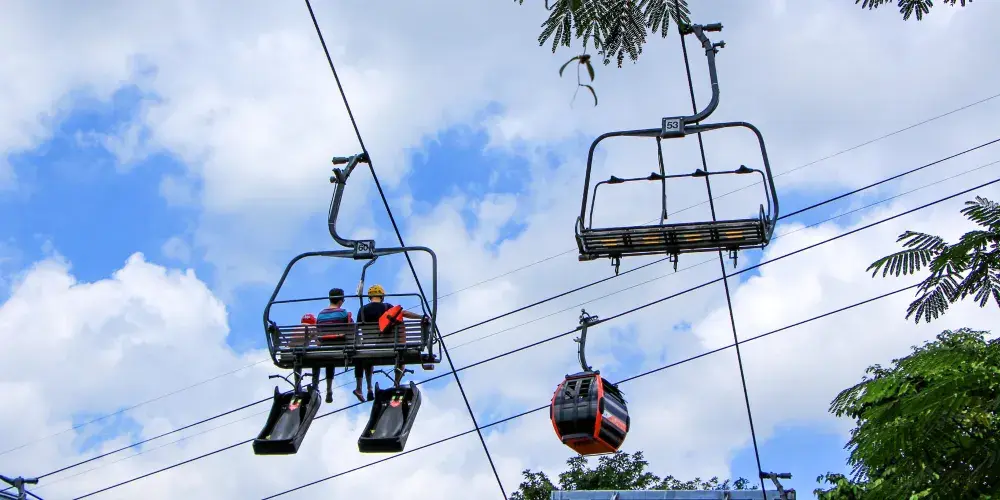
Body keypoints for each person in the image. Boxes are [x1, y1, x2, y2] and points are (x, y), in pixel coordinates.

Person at [357, 284, 424, 389]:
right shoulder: (387, 307)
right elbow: (403, 313)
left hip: (371, 346)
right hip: (389, 344)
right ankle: (396, 382)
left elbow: (358, 327)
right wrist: (421, 317)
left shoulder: (362, 310)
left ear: (369, 297)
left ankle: (369, 387)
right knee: (401, 357)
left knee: (368, 360)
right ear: (382, 296)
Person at [316, 288, 353, 403]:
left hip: (325, 347)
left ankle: (327, 387)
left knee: (329, 358)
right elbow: (352, 329)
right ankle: (361, 387)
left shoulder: (320, 314)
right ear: (340, 300)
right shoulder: (343, 313)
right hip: (341, 347)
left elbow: (318, 333)